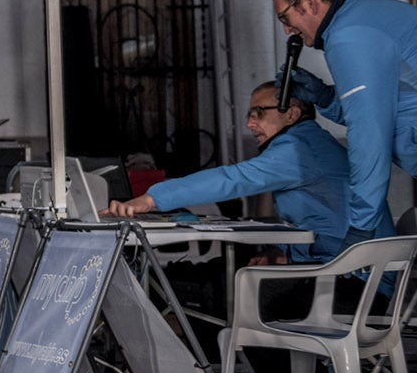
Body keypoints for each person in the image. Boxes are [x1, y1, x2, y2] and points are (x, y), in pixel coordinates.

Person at [103, 81, 352, 264]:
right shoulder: (310, 142)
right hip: (343, 266)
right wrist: (280, 252)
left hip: (347, 278)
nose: (249, 124)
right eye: (249, 115)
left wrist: (151, 199)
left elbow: (232, 179)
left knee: (200, 284)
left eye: (259, 113)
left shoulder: (298, 150)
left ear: (292, 114)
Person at [268, 0, 409, 248]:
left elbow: (369, 136)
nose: (286, 31)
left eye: (285, 17)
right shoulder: (369, 15)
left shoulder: (349, 37)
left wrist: (362, 224)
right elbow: (386, 108)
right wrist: (325, 97)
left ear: (308, 1)